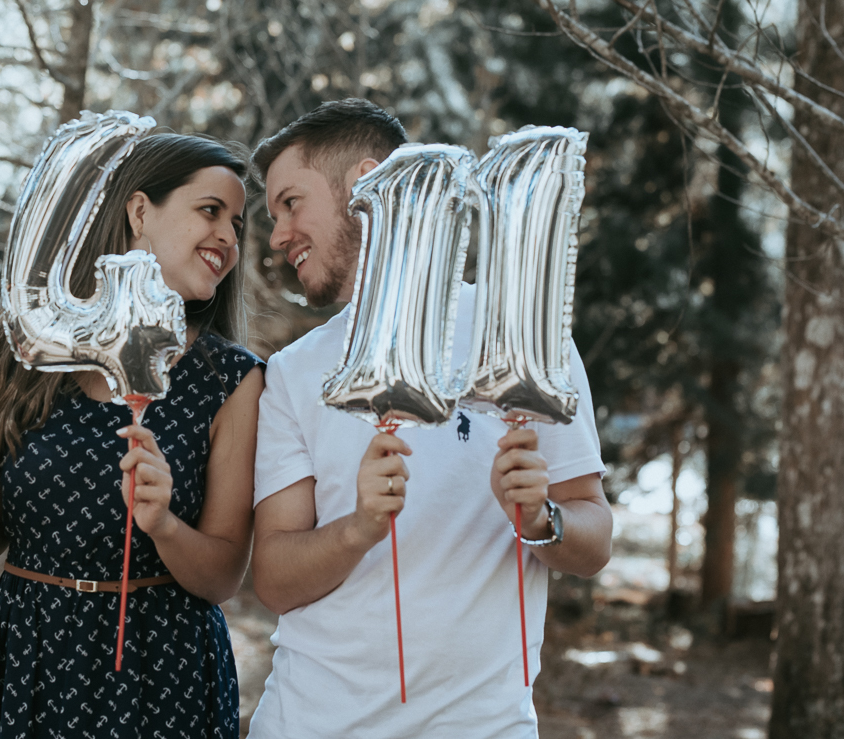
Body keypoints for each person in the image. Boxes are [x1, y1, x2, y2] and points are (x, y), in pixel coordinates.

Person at [0, 133, 265, 739]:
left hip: (162, 671)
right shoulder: (15, 356)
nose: (228, 238)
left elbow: (221, 578)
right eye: (210, 211)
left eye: (238, 224)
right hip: (32, 655)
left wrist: (162, 522)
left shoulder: (232, 379)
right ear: (140, 212)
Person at [247, 99, 612, 737]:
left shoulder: (519, 339)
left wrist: (541, 520)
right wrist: (359, 527)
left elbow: (595, 535)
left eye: (291, 203)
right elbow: (274, 580)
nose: (278, 234)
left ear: (367, 186)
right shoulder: (293, 372)